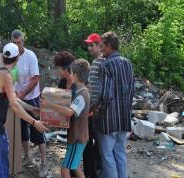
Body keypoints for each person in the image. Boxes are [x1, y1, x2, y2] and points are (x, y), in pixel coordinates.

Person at [0, 43, 48, 178]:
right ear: (17, 59)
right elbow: (14, 105)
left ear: (3, 57)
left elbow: (13, 99)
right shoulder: (6, 76)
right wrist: (34, 122)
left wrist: (32, 108)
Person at [93, 32, 134, 178]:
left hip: (109, 119)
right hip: (124, 117)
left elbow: (105, 95)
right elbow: (131, 91)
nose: (101, 49)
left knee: (107, 156)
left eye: (102, 46)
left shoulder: (106, 65)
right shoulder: (128, 63)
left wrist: (96, 109)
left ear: (109, 46)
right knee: (120, 153)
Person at [41, 59, 91, 178]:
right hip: (77, 137)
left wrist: (50, 104)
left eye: (71, 72)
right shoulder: (81, 92)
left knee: (65, 169)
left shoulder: (82, 95)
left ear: (76, 75)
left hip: (77, 138)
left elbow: (69, 112)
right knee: (75, 167)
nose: (70, 74)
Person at [11, 29, 49, 177]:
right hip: (17, 98)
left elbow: (35, 79)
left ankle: (44, 161)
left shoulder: (30, 56)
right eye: (14, 43)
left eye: (18, 42)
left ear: (23, 41)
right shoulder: (11, 56)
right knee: (21, 129)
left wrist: (20, 94)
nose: (16, 45)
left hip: (32, 98)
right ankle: (27, 156)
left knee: (38, 129)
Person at [54, 51, 77, 178]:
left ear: (65, 68)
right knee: (73, 161)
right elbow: (59, 103)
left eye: (57, 67)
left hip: (81, 126)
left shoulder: (79, 83)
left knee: (85, 156)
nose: (56, 70)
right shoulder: (62, 83)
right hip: (70, 125)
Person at [84, 33, 103, 178]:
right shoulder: (97, 61)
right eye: (88, 45)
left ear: (99, 45)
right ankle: (97, 168)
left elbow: (101, 88)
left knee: (99, 141)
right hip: (95, 107)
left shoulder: (100, 61)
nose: (89, 47)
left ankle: (99, 170)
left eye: (92, 45)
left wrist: (93, 106)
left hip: (97, 109)